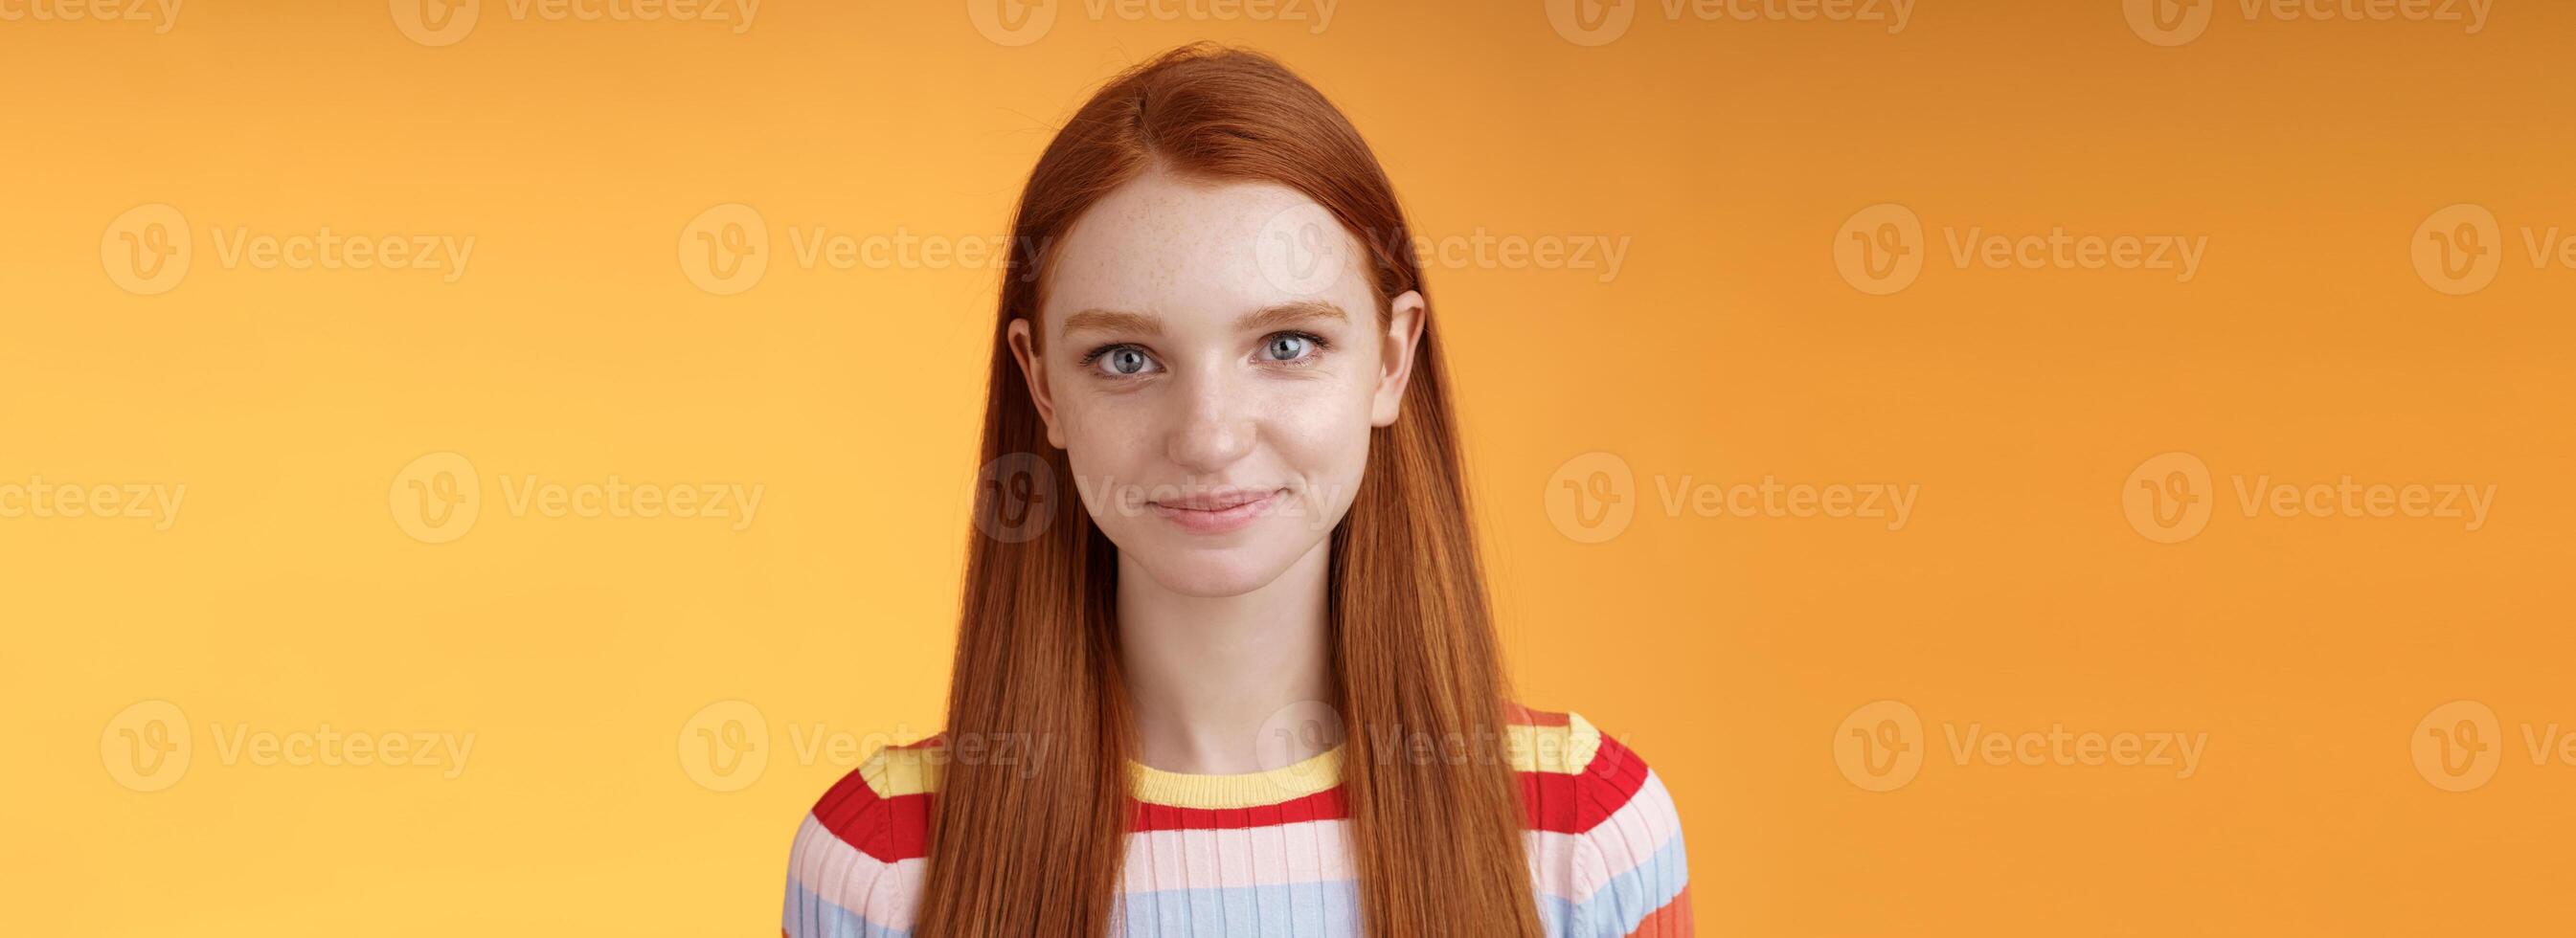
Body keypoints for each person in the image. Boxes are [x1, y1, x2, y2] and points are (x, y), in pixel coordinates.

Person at [781, 44, 1690, 938]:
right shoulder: (882, 860)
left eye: (1287, 345)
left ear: (1390, 358)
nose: (1209, 437)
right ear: (1044, 384)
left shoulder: (1585, 830)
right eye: (1127, 358)